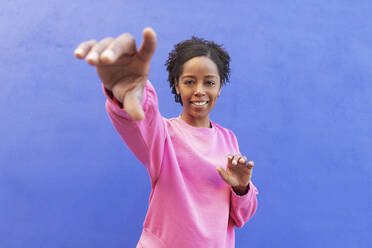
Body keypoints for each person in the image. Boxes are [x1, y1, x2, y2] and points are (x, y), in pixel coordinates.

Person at [74, 27, 258, 248]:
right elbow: (140, 118)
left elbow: (242, 217)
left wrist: (241, 188)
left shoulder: (229, 140)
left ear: (219, 88)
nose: (199, 90)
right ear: (177, 86)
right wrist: (128, 93)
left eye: (209, 82)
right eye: (190, 81)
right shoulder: (164, 134)